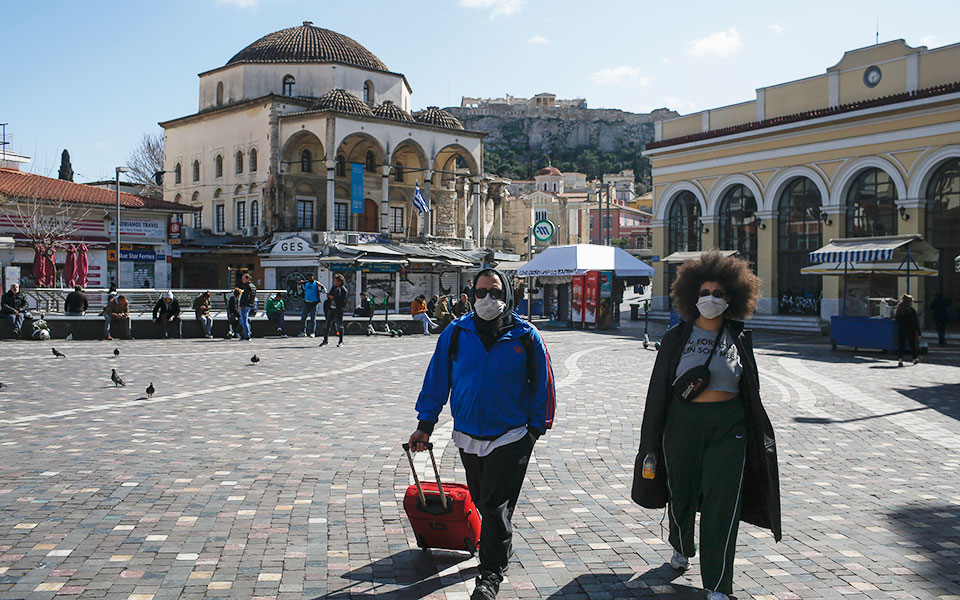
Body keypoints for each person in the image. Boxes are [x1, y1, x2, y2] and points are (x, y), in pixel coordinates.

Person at [632, 251, 781, 600]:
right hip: (682, 424)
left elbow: (751, 390)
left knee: (721, 504)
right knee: (681, 495)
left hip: (730, 428)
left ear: (732, 298)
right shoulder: (674, 338)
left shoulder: (741, 338)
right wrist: (650, 443)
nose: (710, 299)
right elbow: (657, 394)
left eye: (718, 294)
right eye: (703, 293)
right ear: (691, 297)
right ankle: (682, 545)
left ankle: (718, 584)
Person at [410, 268, 556, 600]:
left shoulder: (525, 335)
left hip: (511, 434)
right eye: (481, 292)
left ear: (508, 296)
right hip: (468, 435)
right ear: (471, 295)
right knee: (482, 500)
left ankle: (490, 575)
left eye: (496, 292)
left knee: (493, 503)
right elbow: (437, 379)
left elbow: (543, 386)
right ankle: (500, 543)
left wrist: (534, 430)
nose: (488, 299)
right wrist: (425, 425)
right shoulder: (456, 333)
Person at [320, 273, 347, 347]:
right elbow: (330, 296)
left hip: (338, 309)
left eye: (336, 281)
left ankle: (341, 341)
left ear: (340, 281)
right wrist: (329, 296)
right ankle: (325, 340)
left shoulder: (343, 290)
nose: (335, 283)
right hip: (331, 308)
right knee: (327, 324)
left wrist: (334, 298)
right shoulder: (334, 288)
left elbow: (343, 301)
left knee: (339, 325)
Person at [895, 293, 921, 366]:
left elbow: (897, 320)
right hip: (910, 329)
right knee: (912, 344)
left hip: (901, 329)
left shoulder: (899, 309)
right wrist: (919, 332)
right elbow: (915, 322)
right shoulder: (911, 310)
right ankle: (914, 358)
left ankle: (900, 360)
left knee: (901, 345)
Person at [299, 273, 322, 337]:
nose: (310, 279)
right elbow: (301, 289)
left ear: (313, 277)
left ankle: (312, 332)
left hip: (314, 303)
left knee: (313, 319)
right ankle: (303, 332)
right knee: (303, 318)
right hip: (307, 303)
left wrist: (320, 286)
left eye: (311, 277)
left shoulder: (316, 283)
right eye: (309, 277)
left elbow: (324, 290)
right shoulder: (306, 284)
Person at [238, 273, 257, 341]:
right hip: (250, 305)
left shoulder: (248, 287)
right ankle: (246, 333)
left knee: (244, 320)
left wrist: (241, 305)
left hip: (245, 305)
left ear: (247, 279)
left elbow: (245, 297)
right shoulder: (253, 286)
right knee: (244, 319)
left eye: (244, 279)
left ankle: (247, 335)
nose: (242, 280)